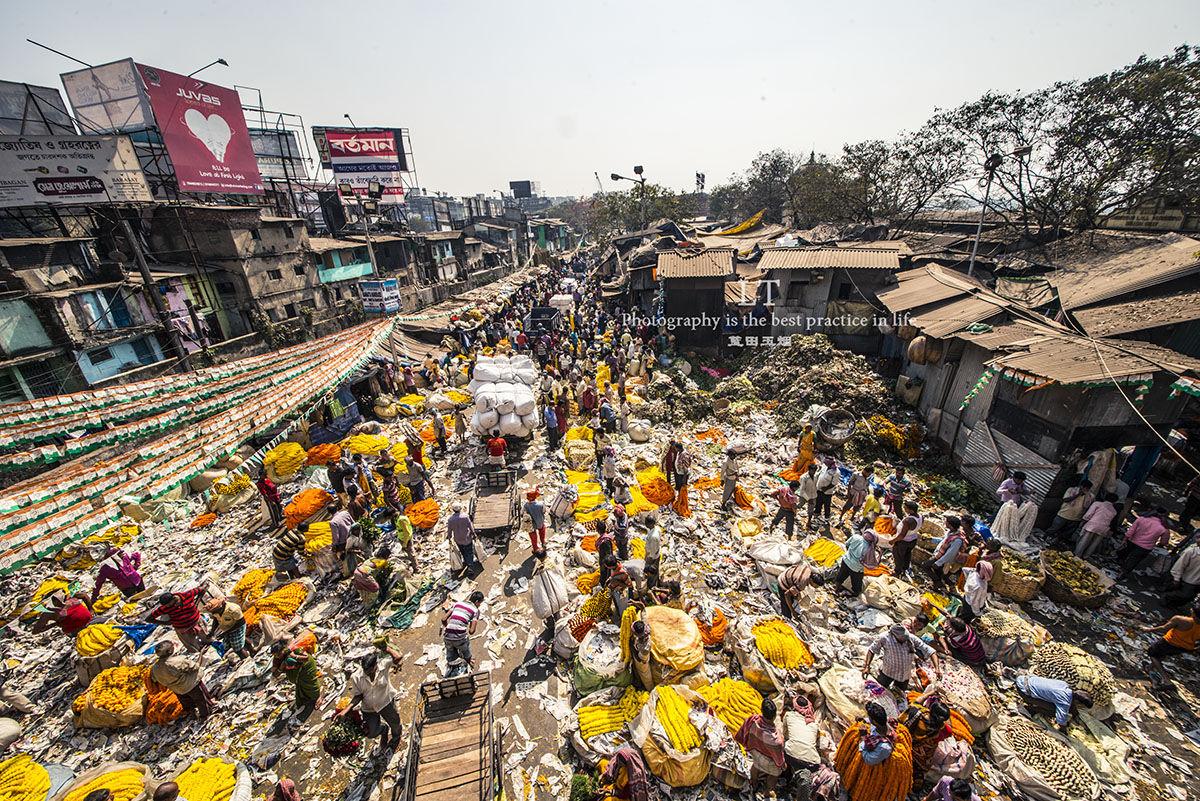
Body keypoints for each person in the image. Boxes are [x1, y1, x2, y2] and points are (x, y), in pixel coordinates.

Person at [339, 650, 404, 751]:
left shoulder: (384, 665)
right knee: (371, 732)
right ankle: (384, 730)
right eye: (365, 671)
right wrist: (346, 710)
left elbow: (398, 657)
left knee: (395, 724)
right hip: (368, 708)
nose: (367, 674)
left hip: (386, 703)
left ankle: (396, 738)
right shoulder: (356, 677)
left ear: (376, 665)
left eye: (370, 671)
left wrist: (386, 647)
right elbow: (358, 696)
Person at [864, 624, 941, 697]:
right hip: (888, 672)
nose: (904, 640)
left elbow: (931, 651)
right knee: (879, 692)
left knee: (899, 696)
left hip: (904, 676)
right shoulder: (884, 637)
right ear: (895, 636)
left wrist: (937, 668)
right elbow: (872, 650)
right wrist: (867, 666)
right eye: (902, 639)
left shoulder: (910, 638)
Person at [150, 640, 213, 720]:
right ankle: (204, 716)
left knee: (188, 704)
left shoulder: (155, 668)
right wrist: (201, 655)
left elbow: (155, 680)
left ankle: (193, 715)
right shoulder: (178, 661)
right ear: (170, 651)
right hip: (191, 686)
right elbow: (195, 667)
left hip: (177, 690)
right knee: (200, 700)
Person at [734, 697, 786, 787]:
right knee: (775, 774)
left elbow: (742, 733)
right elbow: (778, 759)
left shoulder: (752, 720)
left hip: (754, 753)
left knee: (756, 766)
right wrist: (783, 765)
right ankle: (768, 791)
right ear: (774, 716)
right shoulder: (776, 740)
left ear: (761, 710)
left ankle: (753, 784)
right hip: (768, 761)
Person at [1015, 673, 1093, 730]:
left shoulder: (1065, 685)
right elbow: (1060, 720)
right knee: (1054, 711)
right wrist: (1064, 730)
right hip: (1023, 691)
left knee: (1054, 701)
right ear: (1078, 702)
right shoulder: (1064, 701)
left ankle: (1033, 703)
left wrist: (1075, 715)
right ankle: (1031, 709)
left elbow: (1071, 704)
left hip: (1023, 679)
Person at [1143, 601, 1200, 677]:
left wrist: (1149, 629)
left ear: (1193, 613)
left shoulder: (1180, 620)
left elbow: (1164, 628)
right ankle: (1149, 668)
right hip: (1185, 648)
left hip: (1169, 642)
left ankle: (1166, 680)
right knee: (1162, 655)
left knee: (1152, 654)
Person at [146, 585, 208, 652]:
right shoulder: (164, 608)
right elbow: (149, 619)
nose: (170, 606)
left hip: (197, 622)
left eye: (170, 604)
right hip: (182, 629)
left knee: (207, 639)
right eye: (167, 606)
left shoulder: (187, 595)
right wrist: (165, 623)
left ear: (174, 598)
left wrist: (197, 603)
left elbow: (203, 589)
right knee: (193, 648)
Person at [1118, 506, 1170, 578]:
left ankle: (1119, 565)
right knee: (1134, 560)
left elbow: (1131, 531)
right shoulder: (1164, 528)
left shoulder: (1141, 519)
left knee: (1126, 554)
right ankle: (1122, 573)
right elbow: (1164, 542)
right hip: (1145, 547)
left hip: (1132, 541)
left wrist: (1124, 540)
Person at [441, 591, 484, 674]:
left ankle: (452, 667)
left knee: (450, 653)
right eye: (480, 603)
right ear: (476, 602)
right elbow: (471, 631)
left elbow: (443, 619)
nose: (479, 605)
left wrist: (447, 627)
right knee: (465, 648)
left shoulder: (457, 604)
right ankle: (469, 661)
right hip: (460, 638)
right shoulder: (475, 610)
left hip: (447, 636)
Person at [276, 643, 321, 720]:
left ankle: (318, 694)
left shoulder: (295, 650)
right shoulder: (280, 659)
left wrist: (295, 657)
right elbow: (276, 673)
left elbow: (306, 658)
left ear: (282, 650)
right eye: (276, 655)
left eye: (278, 654)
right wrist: (281, 667)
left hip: (306, 666)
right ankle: (305, 694)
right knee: (299, 682)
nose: (277, 656)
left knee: (310, 685)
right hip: (297, 667)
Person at [1047, 479, 1094, 545]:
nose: (1085, 490)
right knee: (1054, 529)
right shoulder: (1071, 490)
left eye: (1087, 488)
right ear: (1081, 486)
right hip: (1063, 514)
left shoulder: (1090, 496)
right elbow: (1065, 499)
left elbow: (1088, 507)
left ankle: (1057, 543)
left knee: (1066, 533)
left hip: (1076, 518)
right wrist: (1078, 495)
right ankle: (1044, 539)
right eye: (1084, 488)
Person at [926, 515, 966, 591]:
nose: (945, 523)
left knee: (925, 565)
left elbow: (950, 554)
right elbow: (943, 540)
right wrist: (931, 539)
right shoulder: (950, 532)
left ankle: (939, 583)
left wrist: (939, 563)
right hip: (939, 554)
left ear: (950, 525)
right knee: (938, 573)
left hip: (943, 559)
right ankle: (937, 586)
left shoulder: (957, 540)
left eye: (946, 522)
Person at [1077, 492, 1119, 558]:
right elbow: (1112, 522)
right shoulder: (1114, 511)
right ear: (1115, 501)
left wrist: (1083, 521)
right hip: (1103, 528)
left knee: (1084, 541)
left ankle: (1077, 554)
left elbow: (1088, 514)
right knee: (1094, 544)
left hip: (1092, 525)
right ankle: (1086, 556)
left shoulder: (1097, 504)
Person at [1164, 534, 1200, 608]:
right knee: (1185, 595)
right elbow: (1180, 565)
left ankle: (1173, 605)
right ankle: (1166, 599)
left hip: (1196, 580)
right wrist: (1176, 579)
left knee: (1190, 597)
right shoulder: (1191, 552)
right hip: (1188, 579)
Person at [835, 522, 871, 596]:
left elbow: (847, 544)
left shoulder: (856, 536)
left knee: (841, 576)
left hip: (846, 560)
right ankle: (854, 595)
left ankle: (836, 590)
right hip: (856, 568)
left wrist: (850, 553)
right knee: (856, 583)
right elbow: (867, 561)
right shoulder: (869, 548)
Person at [892, 500, 923, 579]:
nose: (904, 509)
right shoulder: (921, 516)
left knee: (898, 556)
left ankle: (897, 571)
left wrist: (893, 540)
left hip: (903, 542)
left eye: (905, 508)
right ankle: (905, 568)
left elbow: (902, 535)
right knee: (907, 555)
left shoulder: (908, 521)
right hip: (913, 540)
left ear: (911, 510)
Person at [447, 501, 478, 577]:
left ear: (453, 510)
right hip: (467, 538)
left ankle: (466, 562)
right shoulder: (465, 516)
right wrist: (473, 534)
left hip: (458, 539)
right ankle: (470, 566)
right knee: (469, 552)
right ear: (460, 508)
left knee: (462, 551)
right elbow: (470, 526)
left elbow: (449, 530)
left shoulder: (450, 520)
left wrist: (449, 537)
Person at [813, 457, 839, 528]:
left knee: (827, 505)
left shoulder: (836, 472)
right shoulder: (825, 466)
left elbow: (834, 483)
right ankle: (817, 513)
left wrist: (825, 488)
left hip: (827, 492)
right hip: (819, 489)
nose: (825, 464)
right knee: (818, 501)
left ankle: (826, 517)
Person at [629, 620, 653, 690]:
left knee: (646, 677)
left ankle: (650, 689)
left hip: (642, 662)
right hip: (638, 653)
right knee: (636, 672)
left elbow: (640, 659)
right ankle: (638, 680)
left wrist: (632, 647)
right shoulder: (644, 627)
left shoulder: (645, 648)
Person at [797, 463, 820, 531]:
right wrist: (808, 499)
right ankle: (793, 513)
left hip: (813, 495)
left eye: (815, 470)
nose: (814, 472)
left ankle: (809, 522)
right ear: (809, 470)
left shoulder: (816, 475)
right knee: (799, 505)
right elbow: (802, 490)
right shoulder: (803, 477)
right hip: (804, 495)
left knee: (811, 510)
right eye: (813, 470)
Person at [524, 490, 547, 554]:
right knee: (542, 531)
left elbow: (524, 513)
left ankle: (535, 548)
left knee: (533, 537)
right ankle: (543, 542)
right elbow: (544, 511)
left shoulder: (526, 505)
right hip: (540, 522)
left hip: (531, 525)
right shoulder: (541, 504)